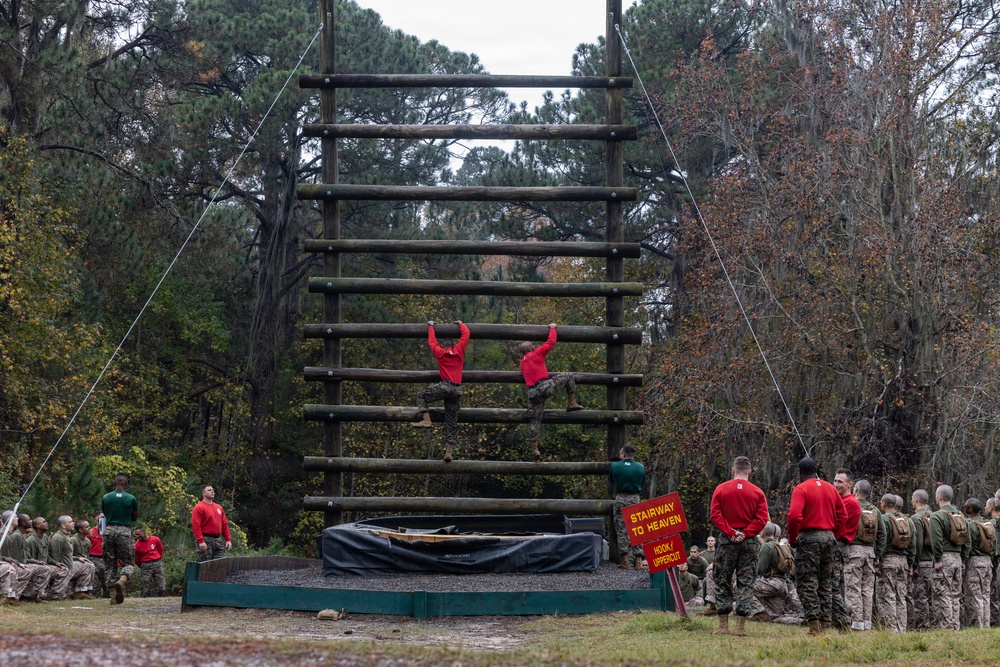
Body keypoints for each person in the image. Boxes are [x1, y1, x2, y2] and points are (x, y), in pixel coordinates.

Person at [709, 455, 769, 636]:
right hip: (749, 542)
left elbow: (715, 515)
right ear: (750, 471)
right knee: (746, 581)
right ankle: (740, 628)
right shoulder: (757, 492)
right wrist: (747, 533)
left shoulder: (721, 489)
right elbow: (762, 519)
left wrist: (731, 532)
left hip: (728, 540)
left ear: (733, 470)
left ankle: (723, 626)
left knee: (722, 579)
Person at [787, 456, 847, 636]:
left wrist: (792, 539)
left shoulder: (801, 489)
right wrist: (834, 535)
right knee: (826, 583)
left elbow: (794, 516)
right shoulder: (830, 487)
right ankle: (826, 623)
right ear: (816, 470)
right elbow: (843, 515)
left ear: (800, 472)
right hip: (829, 538)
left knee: (807, 582)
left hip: (809, 538)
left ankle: (814, 626)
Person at [518, 324, 583, 459]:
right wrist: (552, 328)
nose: (534, 346)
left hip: (532, 393)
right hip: (544, 387)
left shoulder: (522, 363)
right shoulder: (536, 353)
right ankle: (571, 402)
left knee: (534, 421)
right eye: (532, 345)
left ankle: (535, 449)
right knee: (569, 375)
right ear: (531, 349)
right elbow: (551, 342)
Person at [412, 320, 471, 463]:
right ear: (453, 344)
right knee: (451, 421)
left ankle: (426, 420)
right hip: (457, 389)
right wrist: (460, 323)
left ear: (443, 345)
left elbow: (432, 342)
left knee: (421, 395)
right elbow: (466, 334)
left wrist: (431, 326)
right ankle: (449, 452)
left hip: (445, 386)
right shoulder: (459, 351)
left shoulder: (440, 353)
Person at [928, 484, 970, 629]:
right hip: (957, 558)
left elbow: (936, 540)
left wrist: (938, 559)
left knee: (943, 594)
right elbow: (967, 540)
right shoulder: (960, 516)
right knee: (955, 594)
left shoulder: (937, 516)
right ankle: (955, 626)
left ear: (939, 497)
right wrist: (963, 559)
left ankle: (946, 628)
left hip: (944, 558)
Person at [751, 522, 804, 624]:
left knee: (744, 586)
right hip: (783, 585)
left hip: (771, 584)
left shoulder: (766, 546)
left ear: (762, 533)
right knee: (776, 616)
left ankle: (758, 611)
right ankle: (800, 621)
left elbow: (760, 569)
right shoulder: (785, 547)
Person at [874, 494, 911, 633]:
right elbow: (913, 545)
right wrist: (910, 563)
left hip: (888, 561)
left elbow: (881, 541)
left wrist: (878, 560)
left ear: (883, 504)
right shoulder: (907, 520)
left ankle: (890, 629)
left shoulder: (883, 519)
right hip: (903, 562)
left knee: (887, 595)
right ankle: (902, 628)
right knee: (901, 596)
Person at [846, 479, 880, 630]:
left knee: (854, 588)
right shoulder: (875, 510)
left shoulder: (851, 506)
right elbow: (882, 534)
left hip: (853, 551)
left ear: (856, 490)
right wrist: (878, 554)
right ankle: (867, 623)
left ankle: (856, 623)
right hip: (870, 553)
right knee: (867, 589)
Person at [102, 472, 139, 605]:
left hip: (109, 530)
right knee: (128, 563)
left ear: (114, 482)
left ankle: (113, 597)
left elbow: (106, 514)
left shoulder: (106, 497)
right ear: (126, 483)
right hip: (124, 530)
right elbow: (134, 517)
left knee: (110, 564)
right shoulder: (131, 498)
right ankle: (122, 580)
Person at [831, 468, 859, 631]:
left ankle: (842, 621)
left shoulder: (849, 502)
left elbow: (836, 524)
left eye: (840, 481)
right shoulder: (840, 500)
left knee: (833, 584)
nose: (836, 484)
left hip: (839, 545)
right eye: (835, 481)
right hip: (836, 545)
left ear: (850, 484)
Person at [610, 444, 645, 569]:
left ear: (623, 454)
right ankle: (638, 560)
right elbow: (642, 482)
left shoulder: (615, 467)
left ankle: (625, 560)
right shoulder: (640, 467)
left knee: (621, 529)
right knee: (638, 529)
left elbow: (612, 481)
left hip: (621, 498)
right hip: (635, 498)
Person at [1, 512, 50, 602]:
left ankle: (31, 595)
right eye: (16, 517)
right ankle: (13, 597)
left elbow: (22, 557)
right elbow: (11, 557)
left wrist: (35, 562)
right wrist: (18, 564)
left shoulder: (19, 535)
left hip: (19, 563)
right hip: (14, 564)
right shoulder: (13, 536)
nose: (31, 521)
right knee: (20, 570)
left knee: (44, 568)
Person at [961, 498, 993, 628]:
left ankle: (976, 627)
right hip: (987, 562)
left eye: (966, 506)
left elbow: (968, 544)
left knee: (974, 596)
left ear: (970, 509)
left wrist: (964, 560)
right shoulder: (987, 523)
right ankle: (985, 626)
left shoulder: (971, 525)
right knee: (985, 596)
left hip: (975, 562)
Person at [48, 515, 97, 600]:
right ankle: (55, 594)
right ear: (63, 525)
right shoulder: (58, 538)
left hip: (69, 565)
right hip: (62, 568)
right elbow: (54, 557)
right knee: (57, 595)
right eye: (70, 522)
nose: (73, 523)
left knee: (88, 565)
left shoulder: (67, 536)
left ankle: (79, 592)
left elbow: (69, 555)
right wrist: (57, 563)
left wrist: (77, 558)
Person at [908, 489, 936, 630]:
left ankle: (923, 628)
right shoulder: (935, 516)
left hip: (922, 563)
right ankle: (934, 625)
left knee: (920, 598)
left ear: (916, 499)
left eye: (913, 499)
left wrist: (914, 564)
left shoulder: (916, 518)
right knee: (933, 598)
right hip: (934, 563)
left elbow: (917, 543)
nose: (912, 501)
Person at [25, 517, 64, 599]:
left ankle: (54, 595)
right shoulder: (31, 540)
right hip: (35, 569)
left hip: (46, 567)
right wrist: (37, 562)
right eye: (43, 522)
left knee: (63, 569)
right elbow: (27, 559)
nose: (46, 523)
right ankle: (35, 595)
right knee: (46, 569)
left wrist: (55, 563)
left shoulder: (45, 537)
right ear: (37, 525)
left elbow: (47, 555)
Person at [192, 484, 232, 561]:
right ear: (203, 493)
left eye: (213, 490)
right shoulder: (199, 507)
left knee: (220, 564)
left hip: (217, 539)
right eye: (209, 490)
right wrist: (201, 541)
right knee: (205, 565)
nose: (212, 491)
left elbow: (224, 524)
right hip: (205, 539)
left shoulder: (219, 508)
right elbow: (196, 525)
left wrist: (228, 539)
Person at [134, 525, 166, 597]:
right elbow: (136, 558)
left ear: (144, 532)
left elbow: (160, 549)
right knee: (145, 588)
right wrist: (142, 566)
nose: (137, 536)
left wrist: (158, 560)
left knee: (161, 586)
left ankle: (159, 600)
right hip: (145, 565)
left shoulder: (155, 539)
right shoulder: (137, 545)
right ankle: (147, 602)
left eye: (138, 534)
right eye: (136, 534)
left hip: (157, 563)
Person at [88, 512, 107, 598]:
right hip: (93, 558)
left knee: (107, 583)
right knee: (95, 583)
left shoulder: (108, 532)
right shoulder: (91, 532)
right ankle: (95, 598)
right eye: (101, 517)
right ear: (96, 518)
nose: (103, 518)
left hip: (106, 559)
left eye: (105, 517)